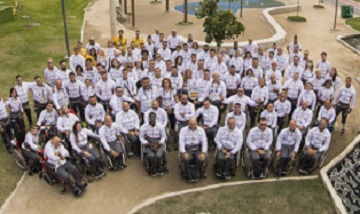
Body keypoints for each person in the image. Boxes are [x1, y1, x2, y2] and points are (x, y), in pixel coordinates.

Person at [179, 118, 208, 182]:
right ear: (188, 123)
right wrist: (184, 153)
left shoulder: (201, 130)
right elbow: (181, 142)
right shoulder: (183, 130)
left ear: (196, 123)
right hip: (188, 149)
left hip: (197, 148)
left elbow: (204, 142)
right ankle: (188, 173)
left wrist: (203, 153)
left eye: (194, 124)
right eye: (191, 124)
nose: (192, 126)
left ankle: (196, 172)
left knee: (200, 158)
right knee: (186, 158)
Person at [140, 112, 166, 176]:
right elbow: (141, 137)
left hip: (158, 141)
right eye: (150, 117)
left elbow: (163, 136)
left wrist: (159, 143)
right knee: (151, 156)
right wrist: (147, 143)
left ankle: (159, 167)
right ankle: (153, 168)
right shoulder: (143, 127)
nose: (152, 118)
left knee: (158, 156)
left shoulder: (160, 126)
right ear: (148, 118)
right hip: (149, 142)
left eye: (153, 117)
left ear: (155, 118)